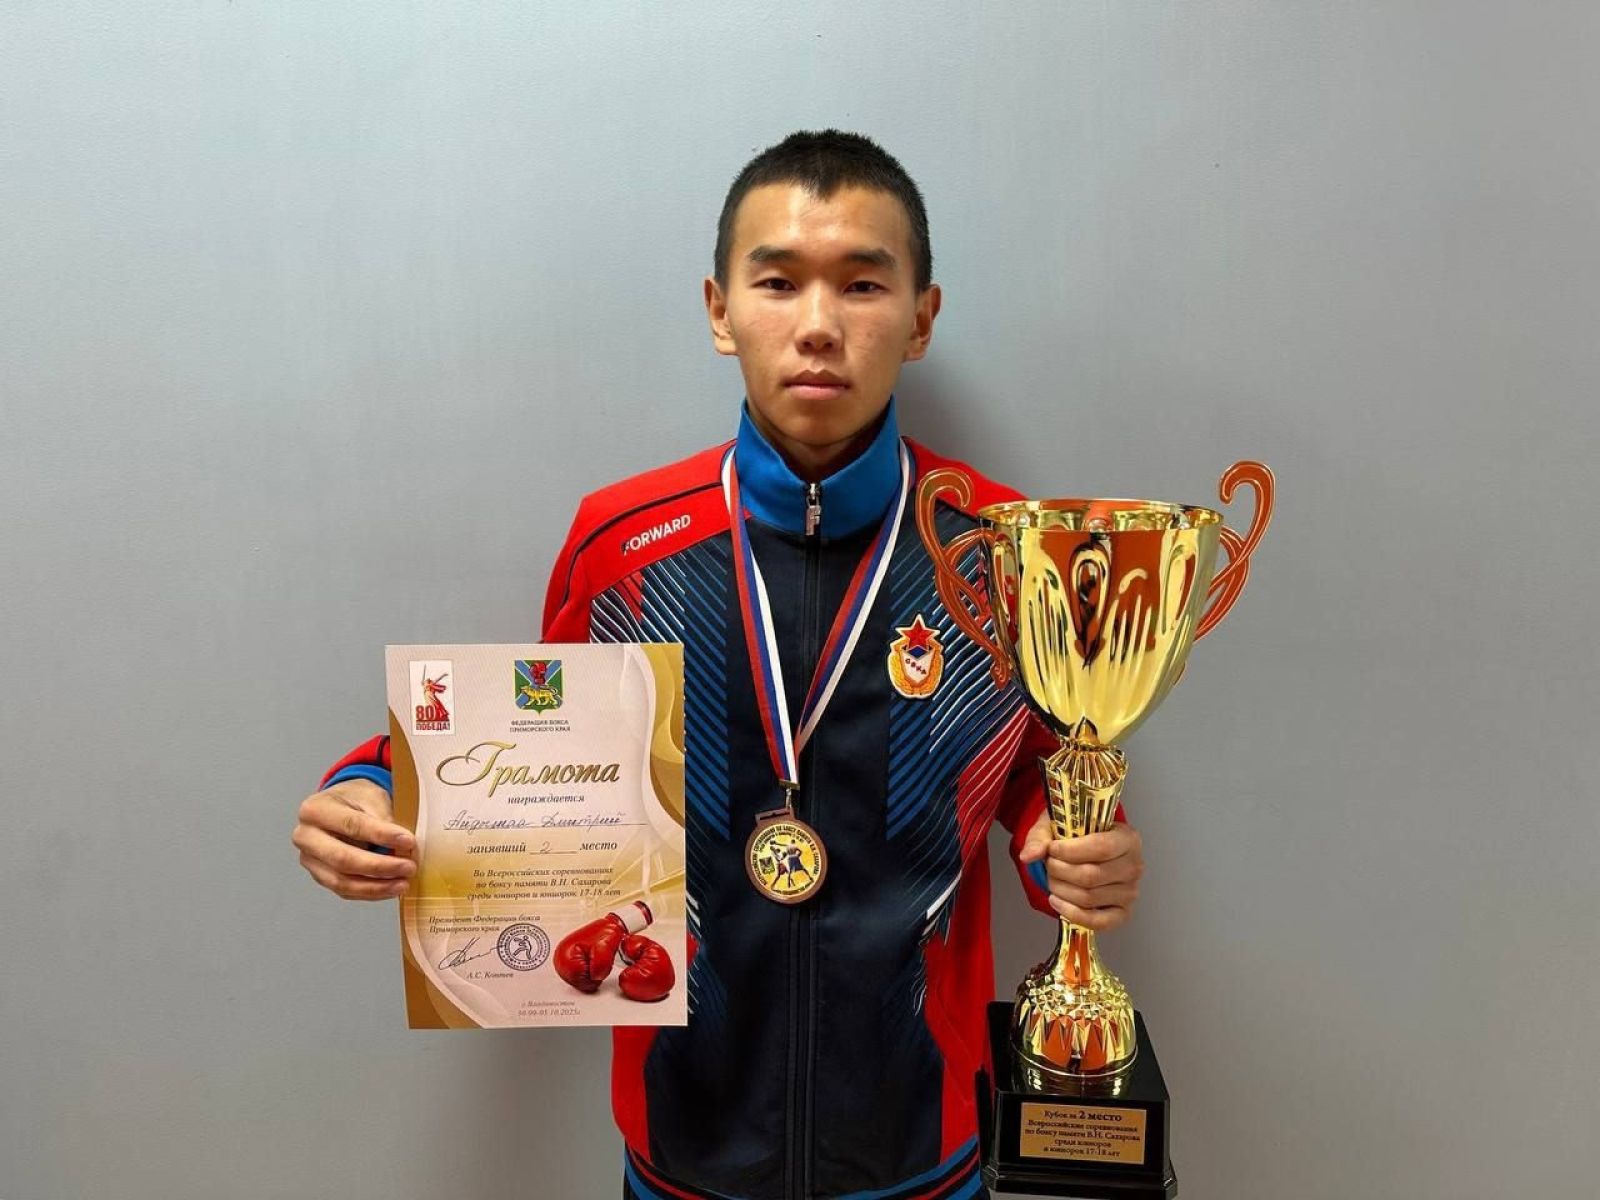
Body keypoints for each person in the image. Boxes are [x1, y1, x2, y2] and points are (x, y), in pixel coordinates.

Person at [292, 129, 1145, 1200]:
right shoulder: (623, 548)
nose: (819, 324)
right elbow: (533, 752)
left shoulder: (1000, 547)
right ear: (719, 309)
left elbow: (1035, 766)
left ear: (922, 317)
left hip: (922, 1145)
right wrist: (371, 788)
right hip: (685, 1146)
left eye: (863, 283)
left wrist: (1070, 848)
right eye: (778, 282)